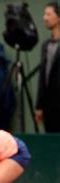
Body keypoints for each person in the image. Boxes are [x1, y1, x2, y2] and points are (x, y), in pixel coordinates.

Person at [35, 2, 60, 133]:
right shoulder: (46, 45)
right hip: (50, 108)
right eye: (45, 14)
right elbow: (43, 77)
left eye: (49, 14)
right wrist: (39, 106)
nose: (45, 18)